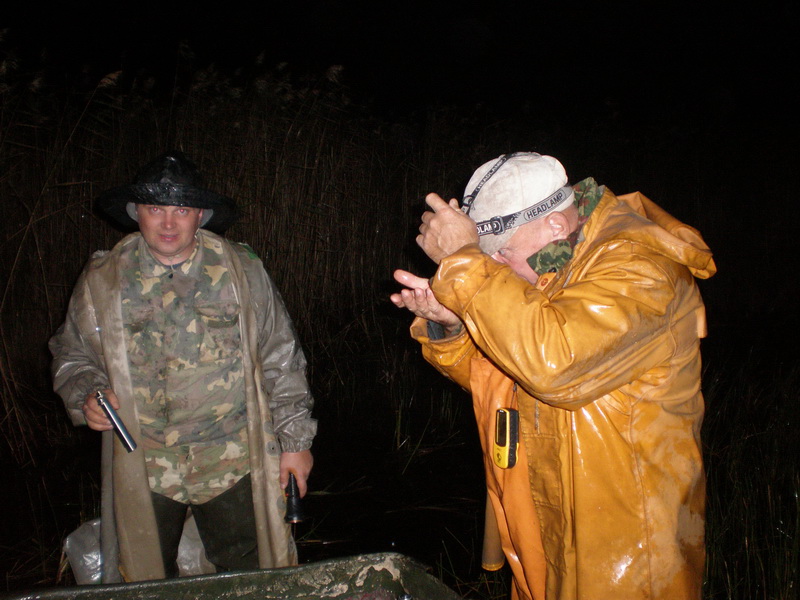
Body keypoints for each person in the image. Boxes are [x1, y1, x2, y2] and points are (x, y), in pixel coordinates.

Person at [390, 153, 715, 600]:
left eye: (501, 252)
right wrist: (455, 324)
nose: (495, 265)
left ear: (557, 225)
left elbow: (555, 366)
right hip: (545, 522)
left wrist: (466, 267)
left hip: (625, 552)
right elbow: (509, 379)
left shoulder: (641, 268)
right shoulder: (555, 260)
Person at [50, 150, 317, 582]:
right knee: (146, 579)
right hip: (144, 463)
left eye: (182, 209)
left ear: (201, 216)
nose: (169, 223)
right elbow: (72, 354)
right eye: (156, 209)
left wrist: (296, 442)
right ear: (136, 213)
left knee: (250, 578)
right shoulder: (103, 277)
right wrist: (87, 394)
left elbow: (280, 356)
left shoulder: (242, 270)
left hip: (233, 459)